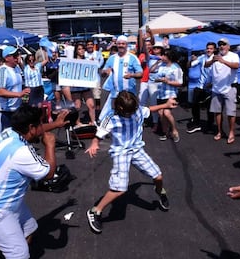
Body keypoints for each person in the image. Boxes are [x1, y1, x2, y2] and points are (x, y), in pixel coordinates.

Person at [0, 104, 69, 258]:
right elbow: (48, 173)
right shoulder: (21, 152)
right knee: (19, 253)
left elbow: (35, 129)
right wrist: (50, 146)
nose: (42, 128)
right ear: (31, 127)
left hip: (5, 202)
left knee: (28, 230)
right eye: (40, 124)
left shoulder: (8, 132)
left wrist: (56, 124)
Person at [85, 91, 177, 233]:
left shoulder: (137, 110)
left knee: (158, 176)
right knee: (120, 188)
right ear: (120, 108)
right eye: (128, 113)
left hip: (137, 150)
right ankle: (95, 211)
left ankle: (160, 191)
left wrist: (166, 104)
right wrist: (95, 143)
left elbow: (149, 109)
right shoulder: (111, 118)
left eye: (133, 111)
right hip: (121, 153)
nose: (131, 115)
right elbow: (99, 133)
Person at [207, 38, 240, 144]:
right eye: (220, 44)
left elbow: (236, 66)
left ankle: (231, 132)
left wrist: (223, 61)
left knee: (231, 112)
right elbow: (206, 65)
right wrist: (213, 60)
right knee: (217, 112)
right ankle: (219, 131)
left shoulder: (233, 56)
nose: (222, 46)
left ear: (228, 46)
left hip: (229, 87)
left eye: (224, 44)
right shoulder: (215, 56)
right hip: (216, 88)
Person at [0, 46, 30, 134]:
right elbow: (0, 91)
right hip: (5, 111)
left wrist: (21, 64)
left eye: (18, 55)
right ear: (6, 58)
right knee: (4, 137)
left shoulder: (17, 68)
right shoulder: (2, 71)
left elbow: (26, 77)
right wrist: (19, 94)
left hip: (16, 109)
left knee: (17, 135)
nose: (17, 57)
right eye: (14, 56)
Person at [152, 49, 183, 142]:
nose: (163, 57)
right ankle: (166, 132)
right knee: (161, 114)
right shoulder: (162, 65)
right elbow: (153, 73)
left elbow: (180, 83)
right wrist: (157, 63)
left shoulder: (176, 68)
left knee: (167, 113)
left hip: (171, 94)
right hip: (161, 93)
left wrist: (168, 81)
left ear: (170, 57)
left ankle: (174, 130)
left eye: (164, 55)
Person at [186, 42, 215, 134]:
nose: (209, 50)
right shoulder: (202, 57)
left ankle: (210, 125)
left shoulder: (217, 59)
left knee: (210, 108)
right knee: (195, 105)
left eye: (211, 48)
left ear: (214, 49)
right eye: (207, 48)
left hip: (211, 87)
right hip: (200, 85)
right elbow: (189, 66)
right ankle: (196, 123)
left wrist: (212, 83)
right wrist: (191, 60)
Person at [71, 43, 96, 126]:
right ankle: (77, 122)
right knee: (77, 106)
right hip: (75, 87)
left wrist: (92, 64)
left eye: (82, 49)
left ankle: (93, 121)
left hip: (85, 86)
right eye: (79, 49)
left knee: (91, 105)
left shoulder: (87, 60)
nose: (81, 50)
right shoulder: (72, 61)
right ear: (76, 51)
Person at [85, 39, 104, 112]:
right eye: (88, 45)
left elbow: (101, 62)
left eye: (91, 44)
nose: (89, 46)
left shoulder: (97, 53)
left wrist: (95, 64)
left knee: (97, 96)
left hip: (96, 78)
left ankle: (98, 111)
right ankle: (90, 110)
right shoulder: (84, 54)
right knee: (88, 96)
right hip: (86, 78)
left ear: (93, 45)